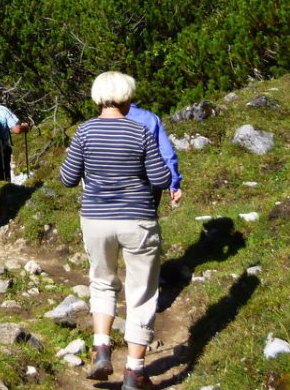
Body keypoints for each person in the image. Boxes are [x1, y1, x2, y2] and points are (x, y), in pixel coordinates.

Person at [60, 71, 171, 389]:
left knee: (103, 282)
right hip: (137, 219)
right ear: (127, 97)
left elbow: (67, 178)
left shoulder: (84, 132)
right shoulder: (140, 132)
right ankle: (134, 371)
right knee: (142, 293)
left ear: (97, 97)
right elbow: (161, 178)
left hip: (96, 220)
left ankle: (102, 348)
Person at [126, 103, 184, 209]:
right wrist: (174, 184)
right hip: (149, 181)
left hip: (113, 187)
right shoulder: (150, 118)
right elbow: (168, 154)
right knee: (148, 218)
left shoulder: (101, 124)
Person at [0, 86, 30, 183]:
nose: (0, 96)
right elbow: (16, 129)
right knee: (4, 175)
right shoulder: (2, 110)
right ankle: (6, 191)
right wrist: (25, 127)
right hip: (2, 148)